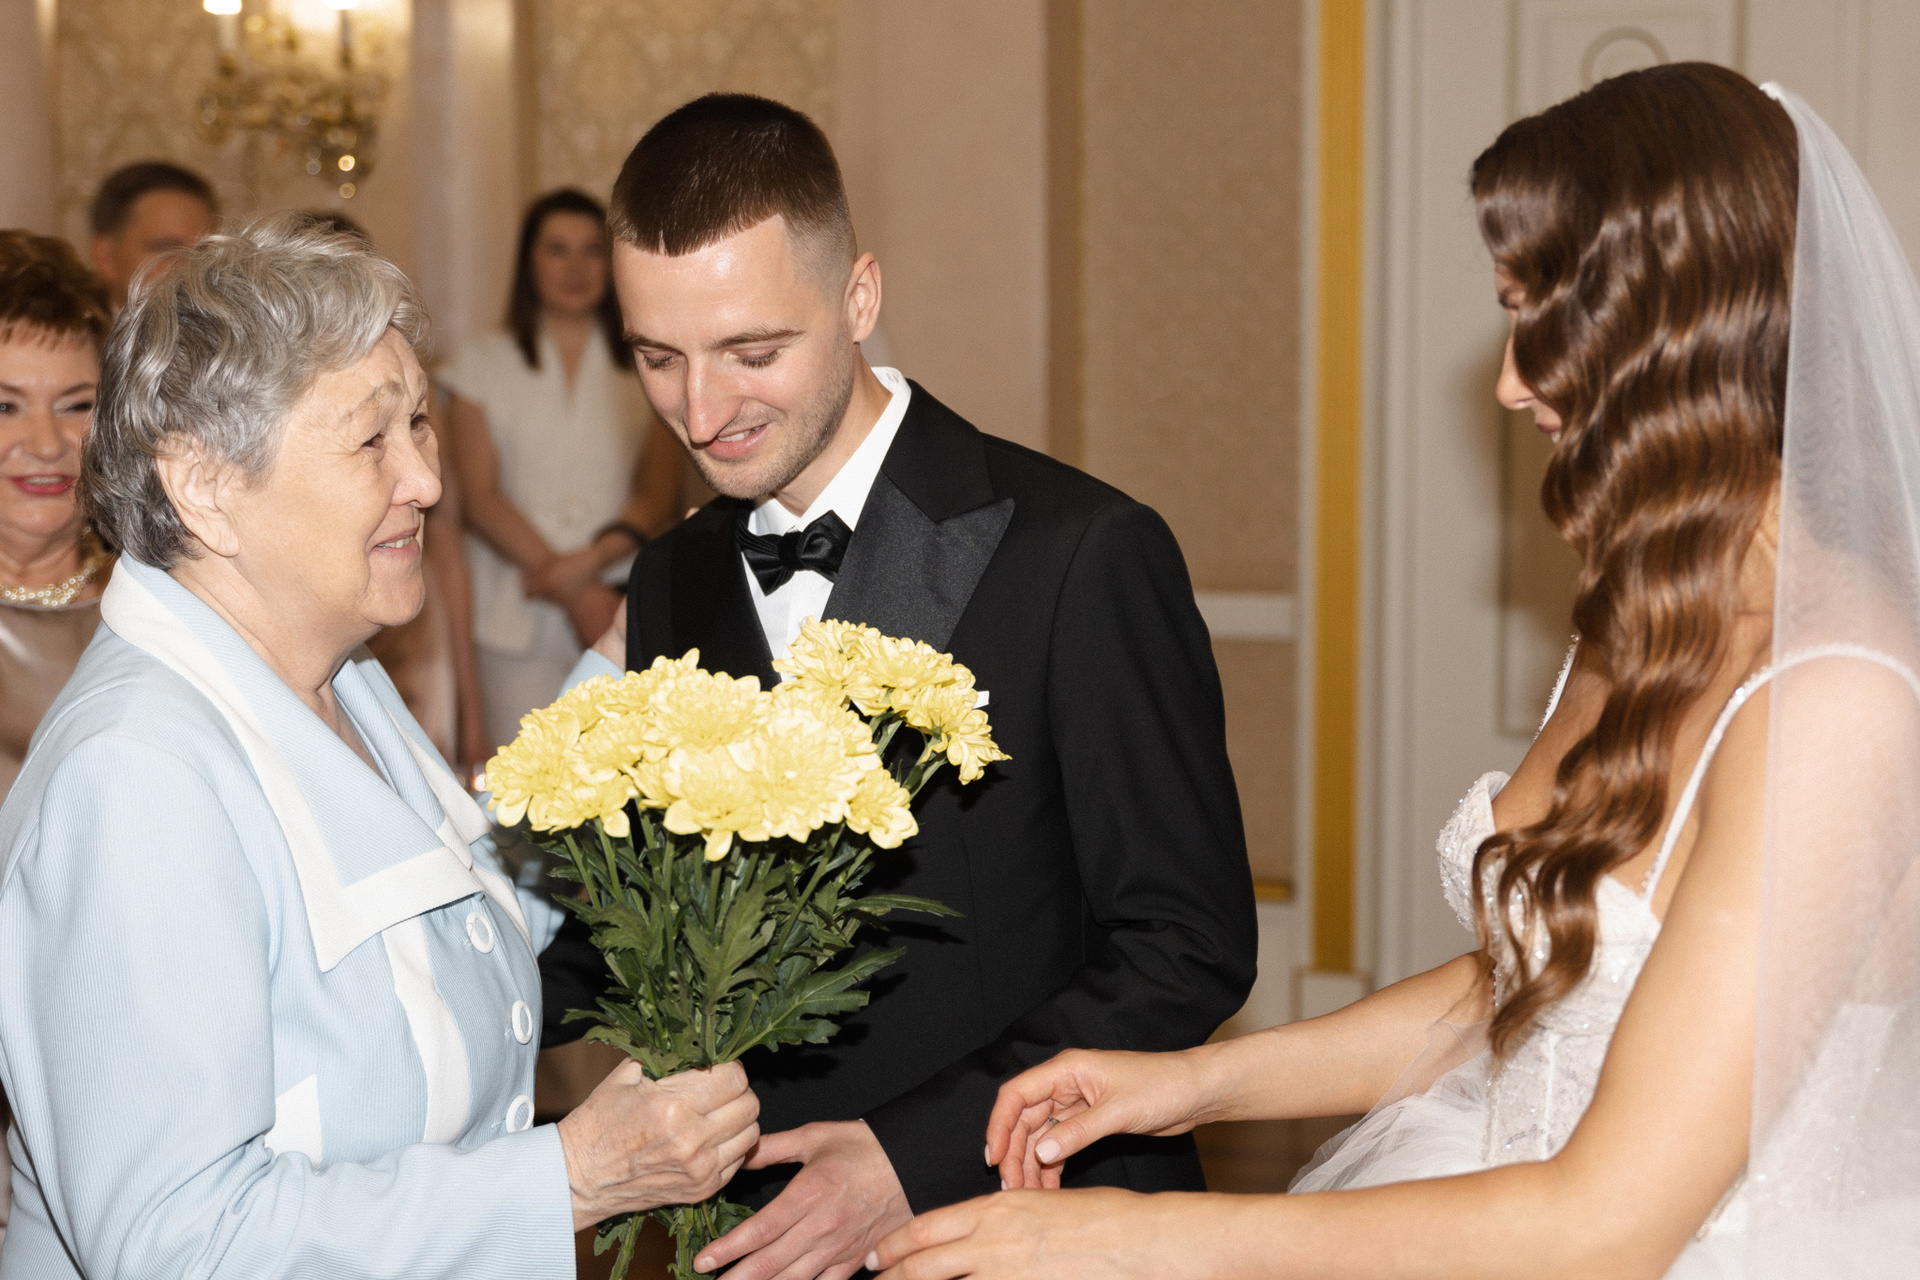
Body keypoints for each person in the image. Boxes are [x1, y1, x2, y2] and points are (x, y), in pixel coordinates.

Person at [870, 64, 1920, 1279]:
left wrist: (1134, 1234)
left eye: (1539, 318)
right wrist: (1193, 1081)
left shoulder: (1837, 701)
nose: (1510, 379)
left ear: (1675, 332)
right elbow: (1535, 989)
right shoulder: (1639, 618)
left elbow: (1605, 1225)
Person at [556, 93, 1259, 1280]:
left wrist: (910, 1157)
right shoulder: (671, 576)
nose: (702, 413)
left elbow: (1188, 945)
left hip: (1040, 1228)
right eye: (658, 358)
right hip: (765, 1241)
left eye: (753, 352)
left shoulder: (1080, 552)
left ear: (860, 297)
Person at [0, 214, 760, 1279]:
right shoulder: (135, 780)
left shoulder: (331, 668)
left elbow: (461, 908)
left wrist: (614, 674)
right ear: (204, 482)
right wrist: (571, 1175)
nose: (427, 481)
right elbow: (180, 1243)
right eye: (371, 440)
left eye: (420, 424)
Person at [442, 188, 682, 753]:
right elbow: (479, 498)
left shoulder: (654, 361)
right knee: (523, 781)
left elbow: (657, 494)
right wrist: (574, 590)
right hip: (513, 614)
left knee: (619, 779)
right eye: (557, 249)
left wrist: (587, 568)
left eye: (592, 250)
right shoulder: (479, 364)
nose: (575, 267)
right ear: (529, 262)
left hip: (618, 602)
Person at [0, 229, 115, 1259]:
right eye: (4, 405)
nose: (44, 441)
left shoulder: (168, 596)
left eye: (75, 404)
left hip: (121, 1032)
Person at [301, 209, 491, 771]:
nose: (424, 483)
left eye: (418, 424)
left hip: (414, 605)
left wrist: (473, 707)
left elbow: (448, 538)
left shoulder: (411, 384)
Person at [87, 160, 217, 311]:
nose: (190, 267)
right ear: (106, 257)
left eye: (204, 251)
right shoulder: (73, 324)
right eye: (167, 249)